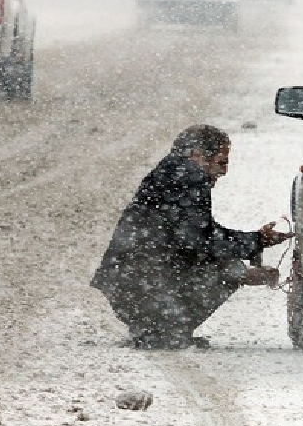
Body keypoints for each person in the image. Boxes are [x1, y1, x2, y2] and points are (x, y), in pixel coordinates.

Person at [91, 124, 291, 349]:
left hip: (128, 284)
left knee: (226, 265)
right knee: (230, 269)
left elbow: (201, 233)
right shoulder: (190, 177)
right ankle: (165, 330)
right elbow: (198, 241)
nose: (224, 171)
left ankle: (156, 327)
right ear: (197, 155)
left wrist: (255, 240)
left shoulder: (173, 172)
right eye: (221, 162)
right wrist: (250, 255)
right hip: (142, 286)